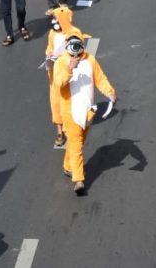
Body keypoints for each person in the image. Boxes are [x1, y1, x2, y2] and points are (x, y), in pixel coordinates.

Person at [52, 34, 116, 194]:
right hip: (70, 111)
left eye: (78, 42)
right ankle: (79, 180)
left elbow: (100, 78)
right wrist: (69, 68)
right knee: (76, 143)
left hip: (88, 111)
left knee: (79, 141)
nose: (75, 46)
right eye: (71, 42)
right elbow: (59, 83)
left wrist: (110, 92)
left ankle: (68, 166)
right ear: (66, 44)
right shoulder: (61, 62)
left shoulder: (90, 60)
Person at [44, 6, 84, 148]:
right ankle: (59, 131)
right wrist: (49, 55)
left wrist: (63, 56)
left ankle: (71, 126)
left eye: (56, 19)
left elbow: (78, 51)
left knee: (68, 101)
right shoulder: (52, 34)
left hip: (71, 75)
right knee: (55, 102)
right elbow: (49, 48)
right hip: (55, 74)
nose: (54, 21)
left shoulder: (74, 33)